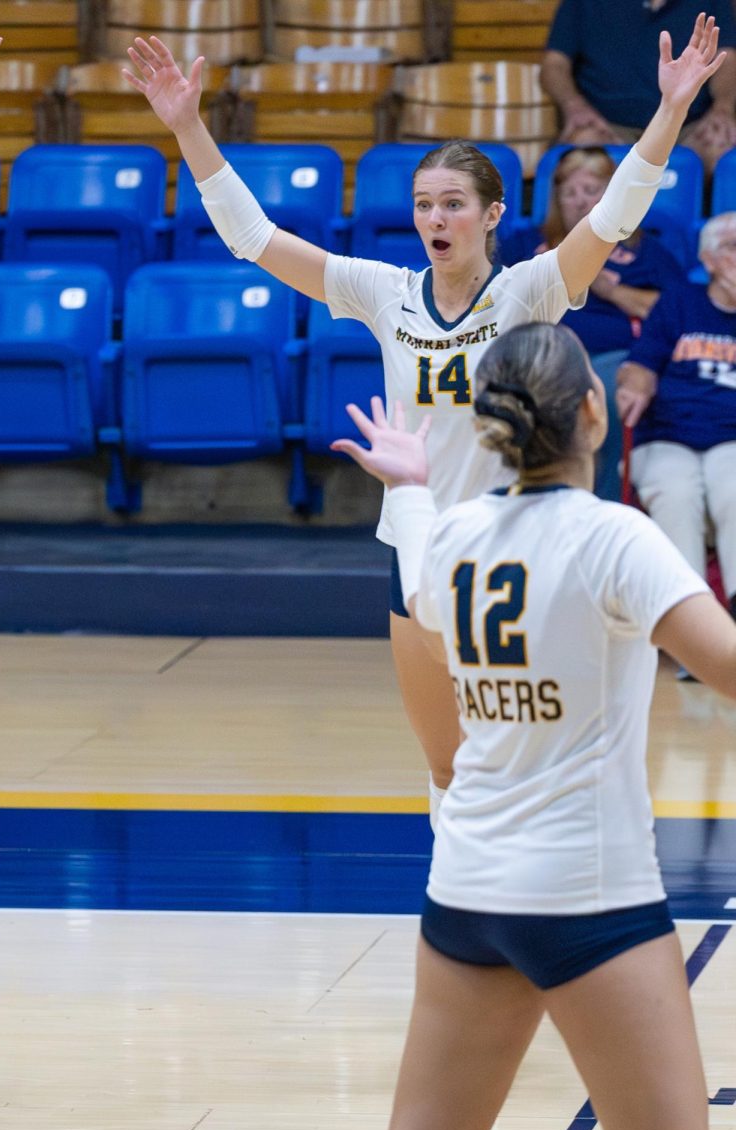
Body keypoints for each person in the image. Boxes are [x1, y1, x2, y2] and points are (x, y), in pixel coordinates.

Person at [124, 15, 726, 823]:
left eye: (452, 204)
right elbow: (253, 238)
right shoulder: (384, 291)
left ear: (491, 216)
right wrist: (189, 126)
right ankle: (459, 915)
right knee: (444, 768)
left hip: (513, 547)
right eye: (423, 206)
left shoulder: (529, 289)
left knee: (517, 750)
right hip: (415, 542)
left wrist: (670, 110)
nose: (435, 220)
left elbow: (613, 217)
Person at [331, 322, 736, 1130]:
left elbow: (421, 587)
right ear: (595, 410)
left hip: (468, 888)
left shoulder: (457, 536)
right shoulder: (616, 537)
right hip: (589, 892)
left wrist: (412, 488)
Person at [501, 146, 687, 501]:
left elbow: (676, 314)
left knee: (604, 397)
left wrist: (609, 287)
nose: (579, 201)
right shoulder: (526, 244)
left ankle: (602, 505)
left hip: (613, 357)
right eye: (569, 192)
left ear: (612, 194)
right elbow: (491, 297)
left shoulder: (645, 252)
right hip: (539, 354)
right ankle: (533, 503)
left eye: (590, 191)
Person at [615, 210, 736, 628]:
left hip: (732, 440)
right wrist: (634, 385)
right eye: (733, 247)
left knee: (733, 488)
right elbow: (641, 364)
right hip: (667, 435)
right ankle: (692, 626)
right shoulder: (680, 301)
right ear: (709, 260)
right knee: (675, 491)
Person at [541, 0, 736, 174]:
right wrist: (574, 106)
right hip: (606, 126)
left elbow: (727, 60)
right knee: (583, 152)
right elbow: (553, 64)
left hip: (688, 126)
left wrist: (723, 108)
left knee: (723, 146)